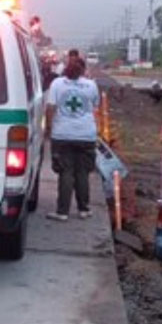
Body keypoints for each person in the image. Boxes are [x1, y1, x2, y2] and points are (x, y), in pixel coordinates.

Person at [46, 50, 100, 222]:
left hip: (62, 135)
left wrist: (49, 129)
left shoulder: (57, 84)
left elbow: (51, 108)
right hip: (86, 135)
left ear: (65, 69)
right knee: (82, 173)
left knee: (66, 173)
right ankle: (84, 209)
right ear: (83, 71)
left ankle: (62, 212)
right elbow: (95, 108)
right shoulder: (91, 85)